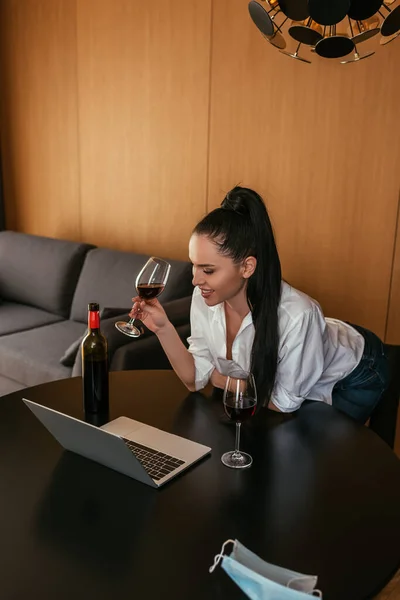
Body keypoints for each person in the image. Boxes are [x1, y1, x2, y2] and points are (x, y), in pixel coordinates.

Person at [130, 186, 389, 423]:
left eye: (208, 270)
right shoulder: (205, 297)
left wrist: (218, 378)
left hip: (356, 372)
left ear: (247, 267)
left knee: (324, 463)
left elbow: (283, 402)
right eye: (194, 265)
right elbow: (193, 380)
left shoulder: (299, 315)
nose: (195, 280)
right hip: (306, 359)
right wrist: (163, 328)